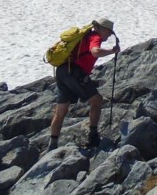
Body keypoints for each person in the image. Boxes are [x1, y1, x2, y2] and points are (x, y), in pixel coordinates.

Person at [47, 18, 120, 152]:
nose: (109, 36)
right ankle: (92, 136)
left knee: (61, 111)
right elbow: (95, 51)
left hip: (63, 71)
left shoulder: (85, 36)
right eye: (109, 33)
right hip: (75, 73)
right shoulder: (95, 37)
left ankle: (52, 144)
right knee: (97, 100)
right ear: (103, 29)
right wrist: (112, 51)